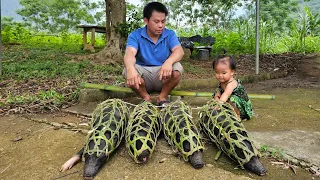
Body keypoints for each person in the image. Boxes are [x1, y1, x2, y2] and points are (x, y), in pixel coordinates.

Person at [123, 1, 184, 107]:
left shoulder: (170, 34)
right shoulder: (135, 35)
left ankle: (162, 97)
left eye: (163, 21)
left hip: (163, 75)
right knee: (127, 70)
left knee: (177, 68)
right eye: (156, 21)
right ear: (146, 20)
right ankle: (146, 98)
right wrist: (130, 69)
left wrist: (169, 62)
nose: (161, 25)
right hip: (143, 77)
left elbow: (179, 51)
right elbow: (130, 53)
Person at [212, 54, 253, 120]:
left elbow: (226, 94)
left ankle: (238, 115)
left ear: (232, 72)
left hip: (242, 107)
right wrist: (216, 99)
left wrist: (219, 104)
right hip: (230, 103)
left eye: (223, 73)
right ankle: (225, 110)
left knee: (232, 99)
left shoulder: (231, 83)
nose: (220, 75)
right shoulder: (223, 81)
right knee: (216, 94)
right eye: (217, 72)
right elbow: (219, 91)